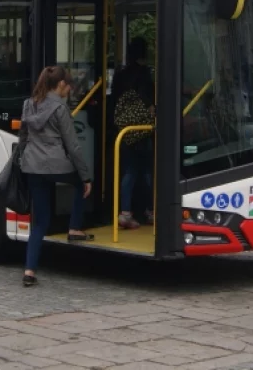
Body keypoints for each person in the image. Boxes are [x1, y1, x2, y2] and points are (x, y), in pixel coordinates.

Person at [19, 66, 93, 287]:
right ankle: (74, 228)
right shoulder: (60, 109)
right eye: (68, 85)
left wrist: (22, 161)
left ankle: (29, 271)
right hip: (56, 165)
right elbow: (73, 146)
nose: (69, 90)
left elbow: (22, 138)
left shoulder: (27, 105)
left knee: (40, 221)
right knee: (81, 184)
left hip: (32, 167)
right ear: (60, 85)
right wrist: (86, 175)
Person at [111, 37, 155, 230]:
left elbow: (114, 98)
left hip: (124, 129)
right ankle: (151, 210)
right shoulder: (145, 74)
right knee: (147, 172)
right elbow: (150, 100)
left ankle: (125, 212)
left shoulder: (120, 74)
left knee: (129, 171)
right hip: (142, 129)